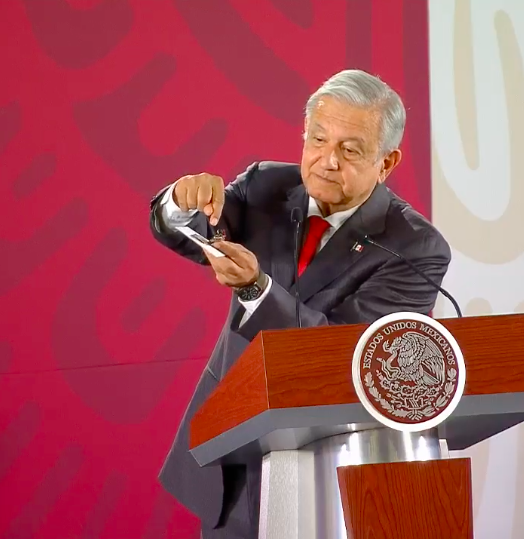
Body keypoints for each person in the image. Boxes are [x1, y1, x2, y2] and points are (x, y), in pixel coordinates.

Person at [149, 69, 452, 538]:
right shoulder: (266, 186)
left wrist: (256, 288)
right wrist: (180, 202)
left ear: (387, 162)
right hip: (234, 448)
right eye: (317, 140)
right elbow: (194, 231)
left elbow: (347, 356)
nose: (327, 161)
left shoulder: (416, 247)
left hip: (339, 462)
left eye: (350, 150)